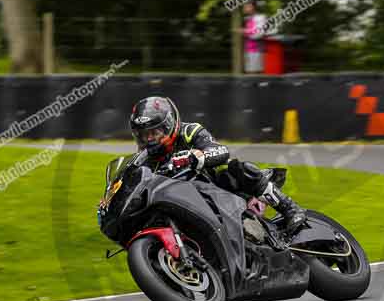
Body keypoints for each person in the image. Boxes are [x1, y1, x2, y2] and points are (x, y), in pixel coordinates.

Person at [129, 96, 306, 234]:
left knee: (237, 168)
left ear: (168, 125)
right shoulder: (144, 159)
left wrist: (198, 157)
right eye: (144, 135)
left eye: (154, 132)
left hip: (218, 188)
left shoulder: (189, 131)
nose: (149, 139)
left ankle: (290, 208)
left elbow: (220, 150)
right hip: (185, 203)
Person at [243, 2, 266, 73]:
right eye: (245, 7)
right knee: (249, 72)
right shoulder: (248, 19)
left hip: (256, 50)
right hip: (248, 49)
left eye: (247, 7)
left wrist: (246, 31)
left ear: (253, 8)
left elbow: (259, 33)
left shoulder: (260, 18)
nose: (245, 9)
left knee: (256, 73)